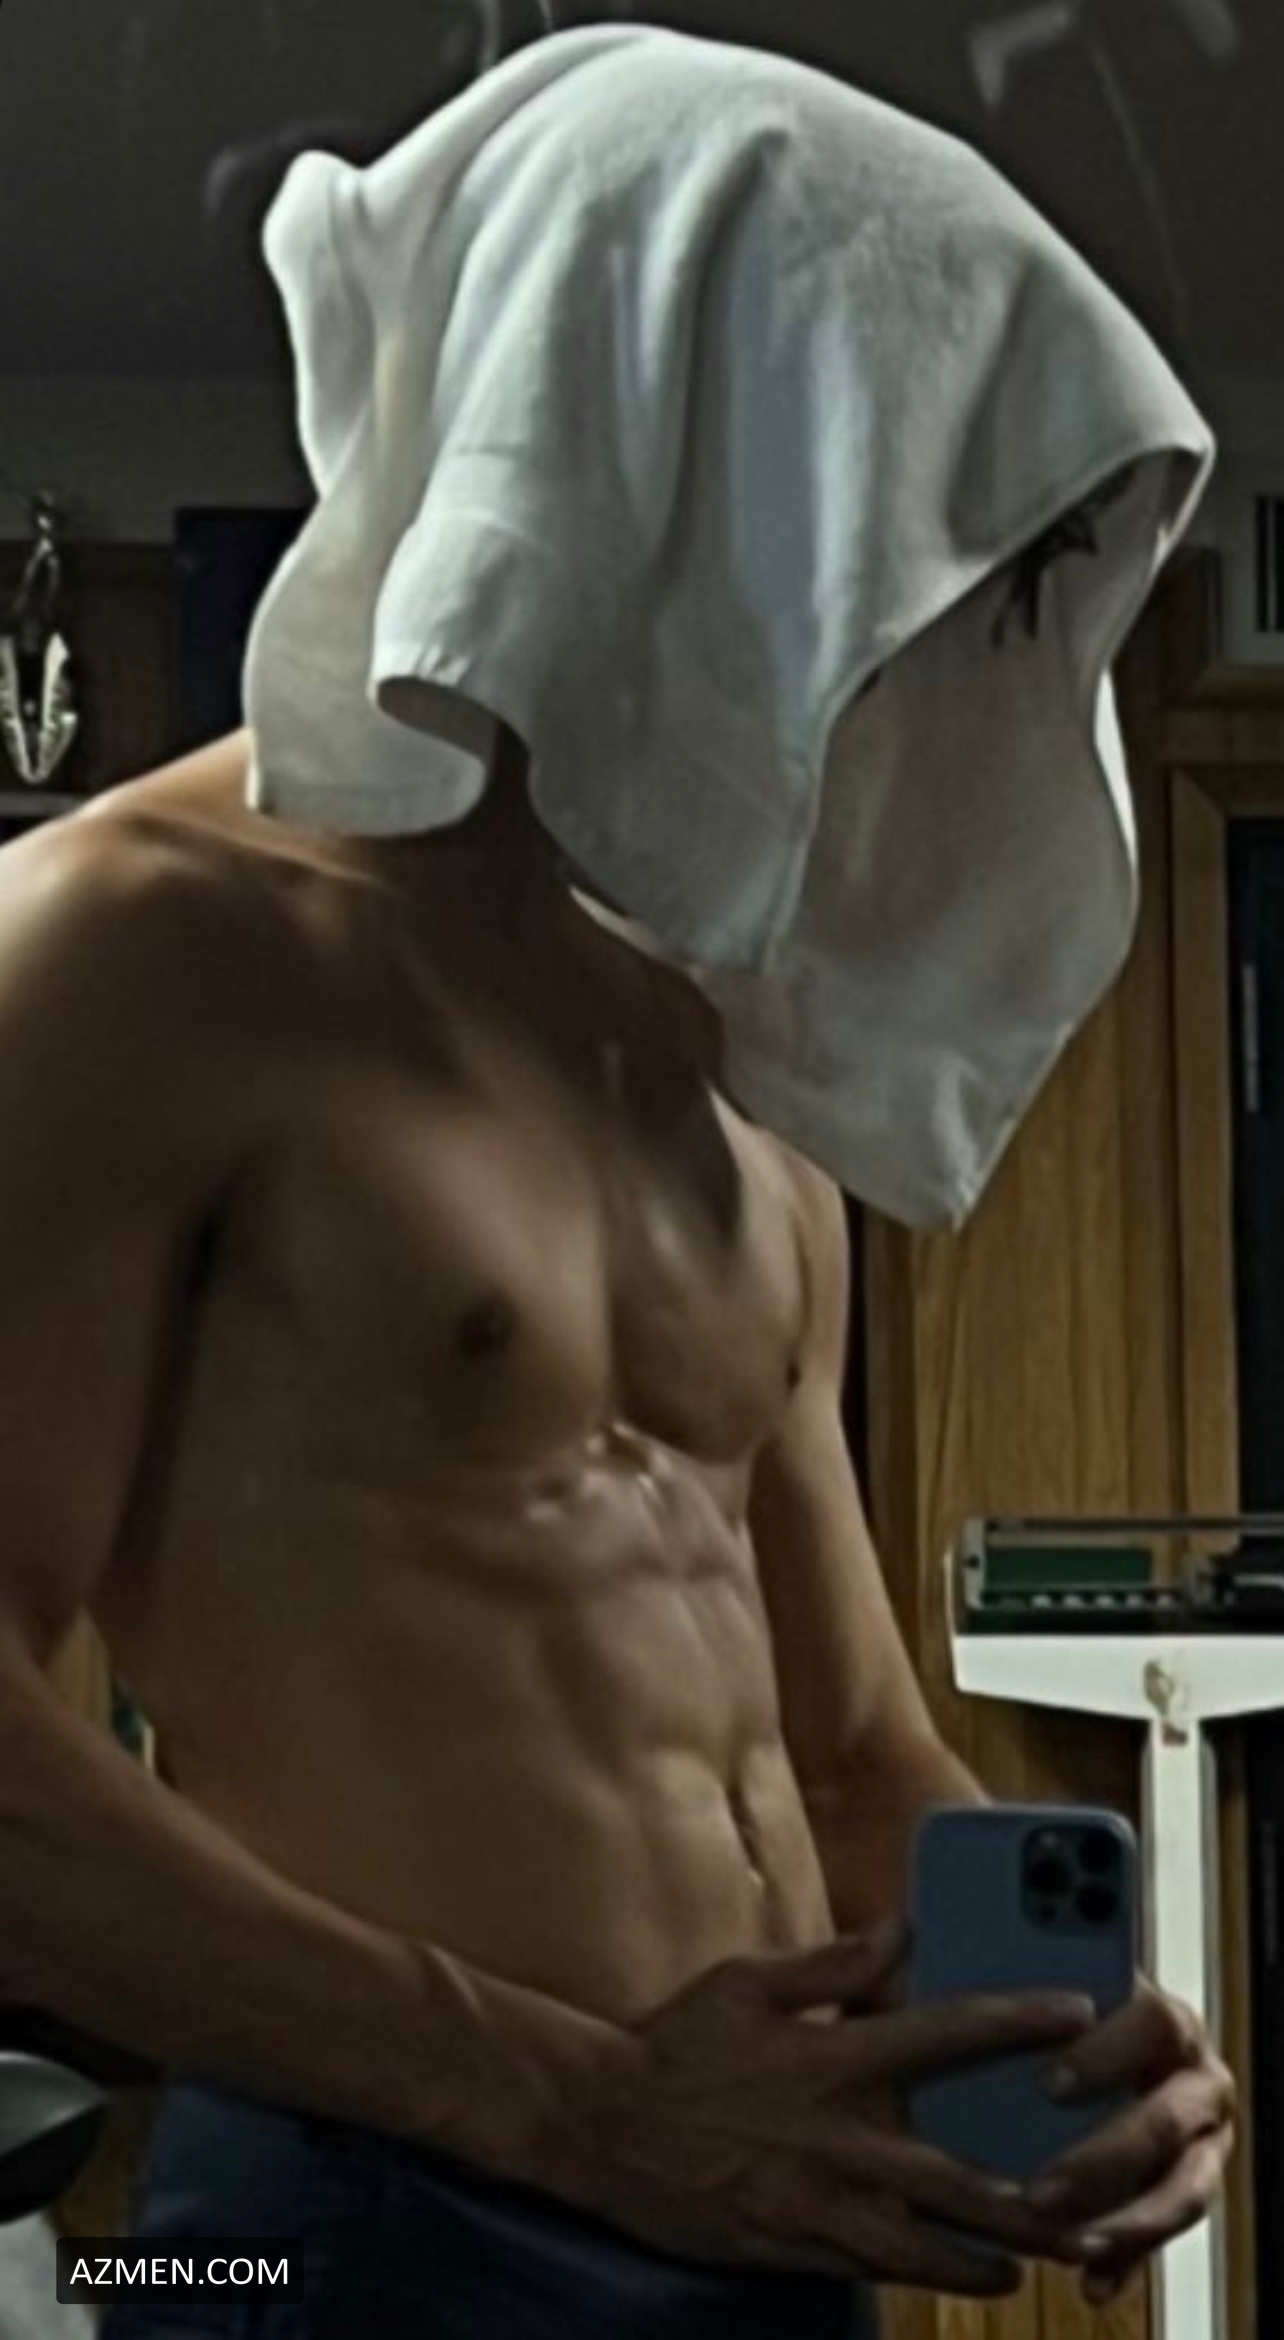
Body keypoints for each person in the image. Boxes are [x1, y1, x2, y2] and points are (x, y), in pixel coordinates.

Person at [0, 23, 1234, 2340]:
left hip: (766, 2219)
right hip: (364, 2216)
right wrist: (573, 2110)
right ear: (629, 451)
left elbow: (849, 1752)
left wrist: (1074, 2040)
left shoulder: (726, 1066)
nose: (907, 636)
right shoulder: (132, 951)